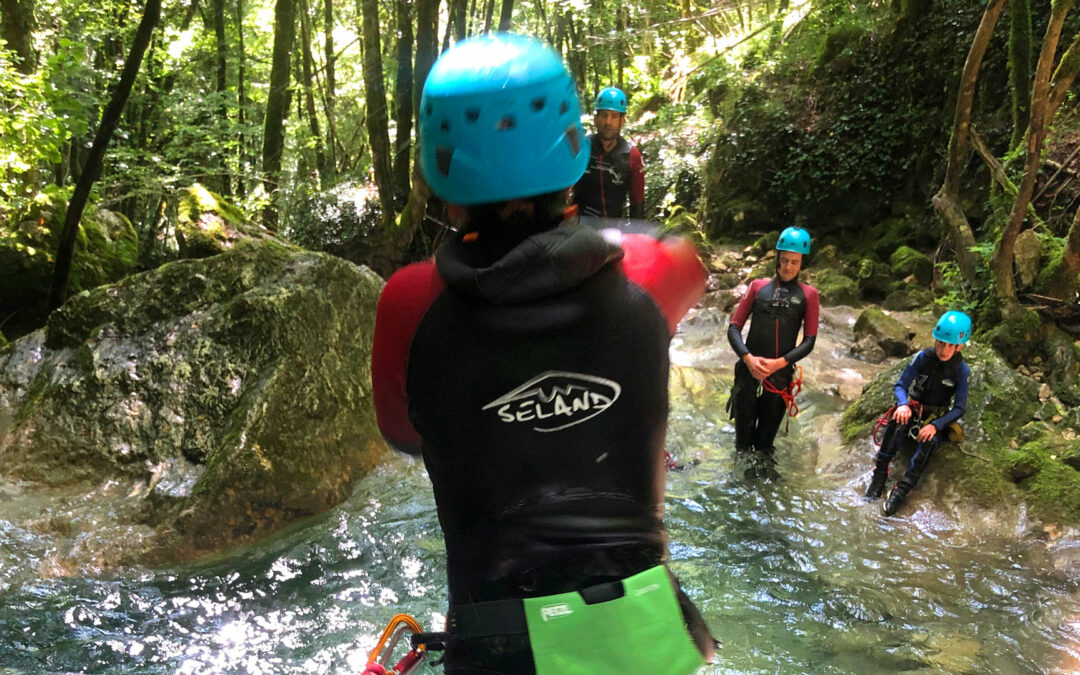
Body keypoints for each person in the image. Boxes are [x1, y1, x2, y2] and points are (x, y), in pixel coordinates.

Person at [371, 33, 713, 674]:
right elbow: (690, 266)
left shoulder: (408, 304)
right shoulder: (648, 270)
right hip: (642, 634)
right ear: (574, 149)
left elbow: (403, 431)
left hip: (496, 642)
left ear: (442, 173)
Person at [725, 227, 819, 479]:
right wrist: (747, 358)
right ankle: (738, 492)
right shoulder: (757, 287)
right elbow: (734, 328)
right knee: (743, 445)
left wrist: (779, 363)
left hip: (779, 377)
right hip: (748, 371)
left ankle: (763, 499)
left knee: (764, 446)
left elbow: (809, 341)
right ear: (777, 257)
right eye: (785, 260)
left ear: (802, 263)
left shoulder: (809, 296)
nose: (788, 267)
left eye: (795, 262)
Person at [865, 310, 972, 516]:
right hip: (914, 407)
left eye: (950, 345)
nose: (943, 349)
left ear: (960, 346)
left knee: (929, 443)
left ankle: (902, 489)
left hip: (935, 417)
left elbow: (959, 408)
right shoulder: (923, 357)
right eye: (941, 343)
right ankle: (879, 476)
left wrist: (936, 425)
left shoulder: (961, 370)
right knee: (897, 423)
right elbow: (901, 385)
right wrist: (903, 404)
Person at [572, 86, 645, 220]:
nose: (608, 122)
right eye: (604, 115)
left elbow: (637, 203)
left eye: (614, 116)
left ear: (622, 121)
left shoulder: (631, 156)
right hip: (578, 229)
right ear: (596, 118)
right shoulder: (581, 148)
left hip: (612, 231)